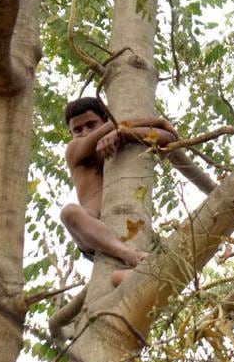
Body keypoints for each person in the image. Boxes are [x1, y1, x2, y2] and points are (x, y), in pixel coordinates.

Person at [60, 97, 177, 285]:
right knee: (69, 212)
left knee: (118, 280)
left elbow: (168, 139)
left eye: (91, 124)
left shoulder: (121, 140)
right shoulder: (74, 149)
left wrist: (123, 133)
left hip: (133, 226)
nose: (84, 132)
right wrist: (157, 121)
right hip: (92, 234)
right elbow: (109, 128)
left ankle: (125, 274)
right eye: (77, 130)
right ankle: (128, 255)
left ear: (103, 119)